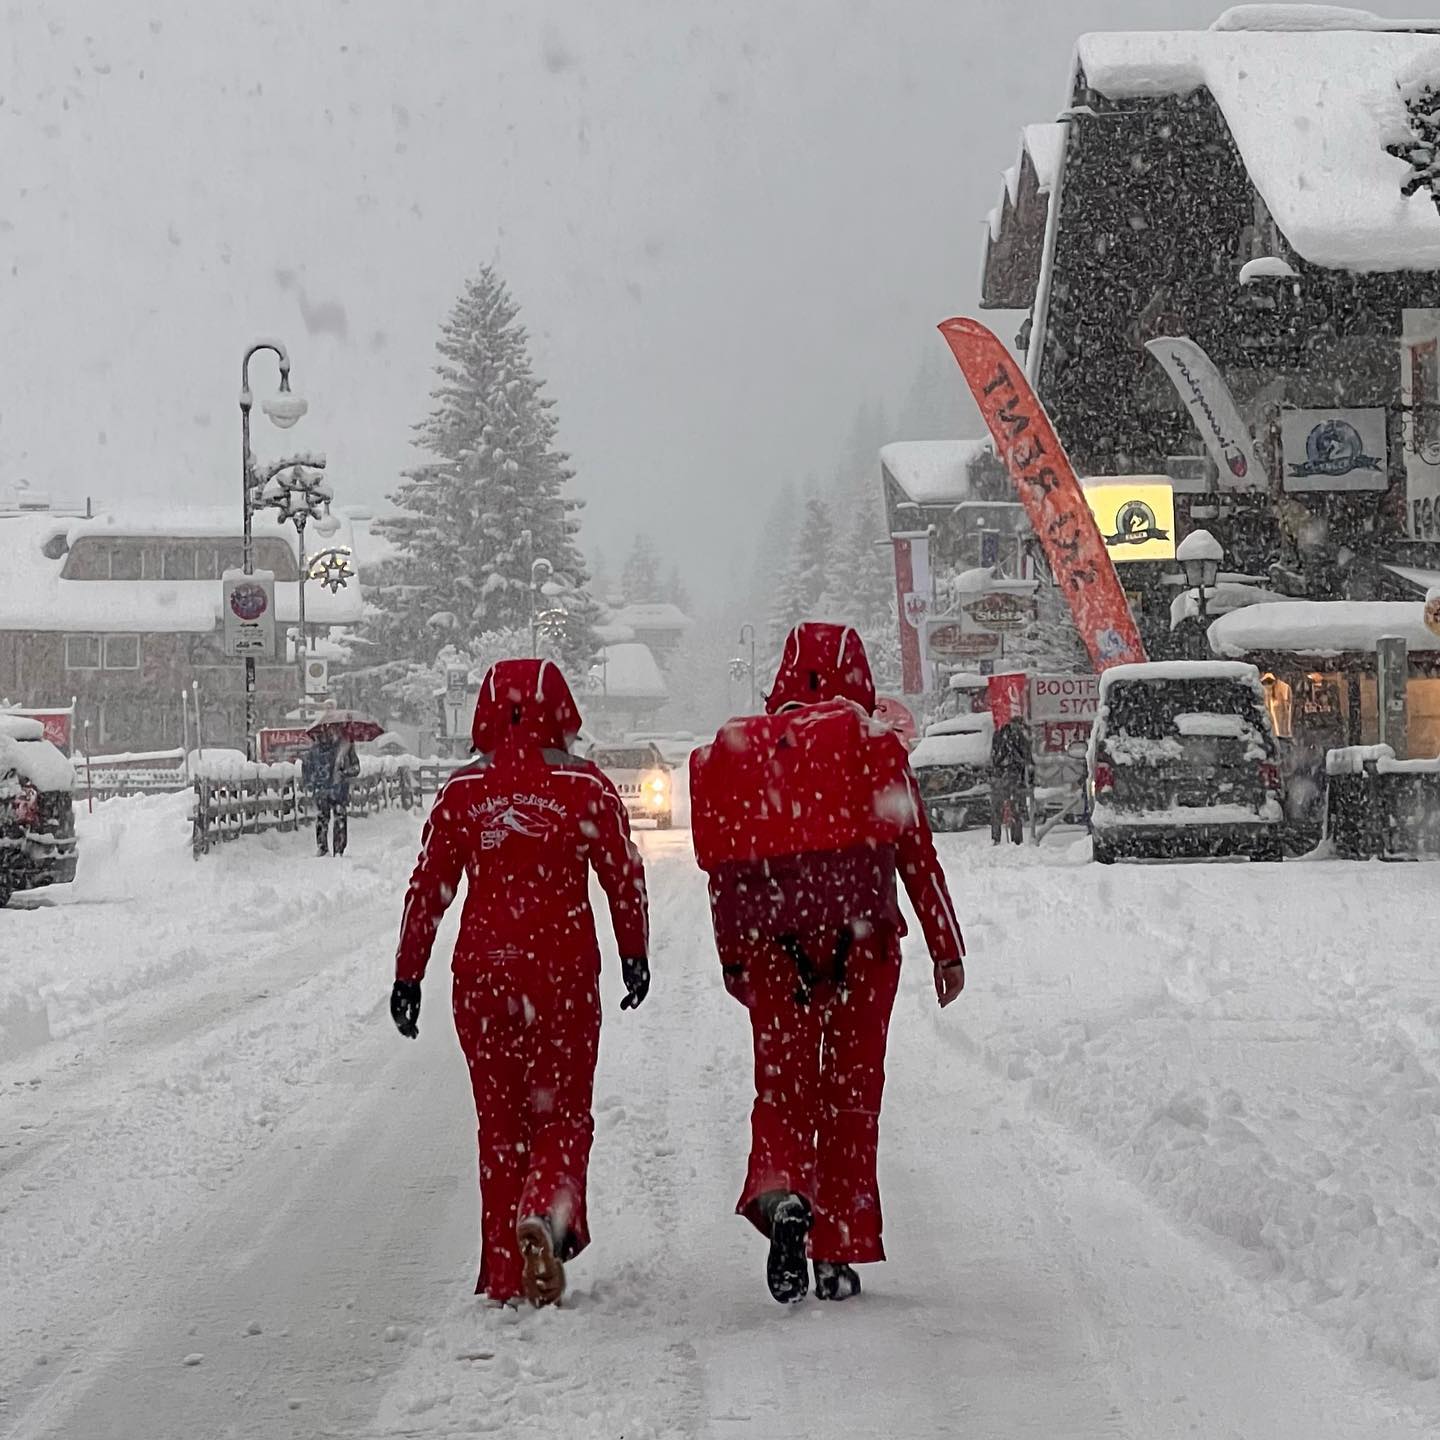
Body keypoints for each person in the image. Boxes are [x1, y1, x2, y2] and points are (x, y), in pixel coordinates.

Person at [696, 623, 965, 1304]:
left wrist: (735, 958)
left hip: (770, 946)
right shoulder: (873, 746)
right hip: (863, 943)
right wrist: (946, 947)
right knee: (850, 1096)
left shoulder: (748, 753)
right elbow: (915, 854)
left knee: (782, 1090)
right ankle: (836, 1251)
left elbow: (725, 871)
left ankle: (783, 1189)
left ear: (785, 676)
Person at [389, 659, 649, 1308]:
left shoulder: (461, 794)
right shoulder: (586, 789)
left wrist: (408, 973)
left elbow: (429, 889)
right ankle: (547, 1211)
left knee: (499, 1126)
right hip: (560, 974)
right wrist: (633, 953)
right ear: (561, 711)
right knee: (562, 1113)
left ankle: (505, 1273)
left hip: (481, 975)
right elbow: (625, 877)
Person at [303, 732, 361, 856]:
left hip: (338, 789)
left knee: (338, 817)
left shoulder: (345, 747)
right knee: (323, 817)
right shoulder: (315, 750)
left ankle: (338, 849)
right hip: (322, 789)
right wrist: (311, 782)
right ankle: (322, 847)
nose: (327, 733)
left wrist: (344, 772)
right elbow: (307, 768)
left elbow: (356, 767)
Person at [989, 714, 1033, 846]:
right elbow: (1027, 757)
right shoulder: (1021, 736)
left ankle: (996, 837)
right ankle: (1017, 839)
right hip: (1014, 775)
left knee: (997, 809)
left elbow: (993, 755)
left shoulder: (999, 733)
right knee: (1015, 808)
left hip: (999, 776)